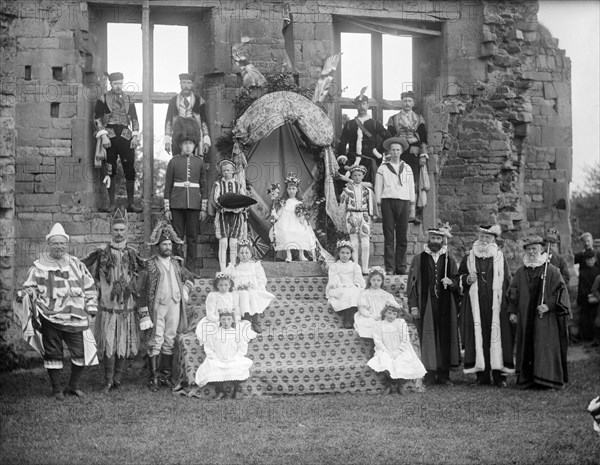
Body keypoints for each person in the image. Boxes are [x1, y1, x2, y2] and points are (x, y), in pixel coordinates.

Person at [21, 223, 98, 399]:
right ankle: (57, 390)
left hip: (76, 317)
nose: (59, 247)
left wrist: (91, 307)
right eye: (55, 243)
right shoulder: (38, 267)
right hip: (50, 318)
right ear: (49, 245)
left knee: (81, 353)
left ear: (67, 244)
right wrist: (27, 294)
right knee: (53, 353)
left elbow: (90, 286)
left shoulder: (77, 265)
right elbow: (28, 287)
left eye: (62, 243)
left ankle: (73, 386)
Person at [83, 208, 149, 393]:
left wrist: (134, 287)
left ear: (126, 231)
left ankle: (118, 378)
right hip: (108, 304)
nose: (119, 233)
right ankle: (108, 379)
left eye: (122, 230)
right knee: (110, 341)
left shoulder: (133, 253)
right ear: (111, 230)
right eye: (116, 230)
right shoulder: (102, 251)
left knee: (123, 340)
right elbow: (83, 266)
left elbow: (145, 269)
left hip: (127, 304)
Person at [507, 236, 570, 389]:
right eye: (528, 249)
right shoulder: (520, 272)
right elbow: (512, 293)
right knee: (526, 345)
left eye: (534, 248)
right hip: (525, 318)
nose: (531, 252)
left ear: (541, 249)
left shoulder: (553, 271)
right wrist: (512, 312)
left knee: (543, 346)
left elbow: (562, 292)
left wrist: (549, 305)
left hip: (545, 320)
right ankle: (527, 379)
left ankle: (546, 380)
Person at [138, 221, 194, 392]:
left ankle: (166, 376)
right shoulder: (149, 264)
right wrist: (144, 314)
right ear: (158, 246)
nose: (168, 246)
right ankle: (153, 377)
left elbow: (190, 278)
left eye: (169, 244)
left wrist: (185, 289)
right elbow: (141, 289)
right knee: (156, 339)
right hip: (157, 307)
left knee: (169, 339)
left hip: (175, 305)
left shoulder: (177, 263)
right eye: (164, 244)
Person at [458, 224, 514, 387]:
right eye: (482, 236)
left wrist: (508, 304)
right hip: (476, 304)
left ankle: (499, 377)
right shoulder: (469, 257)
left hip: (496, 305)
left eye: (488, 237)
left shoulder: (499, 257)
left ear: (493, 239)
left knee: (497, 337)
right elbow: (459, 277)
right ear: (478, 237)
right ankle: (481, 376)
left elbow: (508, 281)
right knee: (477, 337)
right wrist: (467, 279)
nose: (484, 240)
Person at [407, 225, 460, 386]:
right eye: (433, 238)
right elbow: (412, 284)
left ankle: (444, 375)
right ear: (428, 239)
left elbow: (458, 280)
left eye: (438, 238)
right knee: (428, 338)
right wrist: (414, 306)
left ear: (442, 240)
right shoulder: (419, 258)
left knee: (444, 337)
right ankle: (429, 374)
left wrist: (451, 282)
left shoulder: (449, 258)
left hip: (445, 304)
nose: (435, 241)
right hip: (426, 303)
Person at [164, 117, 208, 271]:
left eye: (191, 144)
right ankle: (177, 268)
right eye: (185, 144)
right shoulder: (174, 162)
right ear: (180, 145)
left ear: (195, 145)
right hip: (176, 204)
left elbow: (204, 185)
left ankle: (190, 269)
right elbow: (168, 185)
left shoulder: (199, 162)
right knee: (177, 237)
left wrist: (203, 208)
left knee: (193, 238)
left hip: (194, 204)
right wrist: (167, 208)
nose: (188, 146)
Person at [94, 72, 142, 213]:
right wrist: (103, 136)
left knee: (130, 168)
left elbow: (134, 119)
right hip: (110, 134)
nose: (118, 86)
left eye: (120, 83)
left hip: (126, 134)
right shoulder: (103, 99)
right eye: (115, 84)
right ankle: (112, 203)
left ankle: (131, 203)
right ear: (111, 84)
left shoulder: (128, 99)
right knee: (110, 168)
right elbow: (97, 119)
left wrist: (134, 136)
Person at [374, 137, 415, 275]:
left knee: (402, 236)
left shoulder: (407, 168)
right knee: (389, 236)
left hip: (403, 202)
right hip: (387, 202)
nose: (395, 152)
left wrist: (413, 206)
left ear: (402, 151)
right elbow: (378, 187)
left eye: (398, 150)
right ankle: (390, 267)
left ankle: (401, 267)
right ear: (389, 151)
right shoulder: (383, 168)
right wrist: (378, 206)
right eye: (393, 150)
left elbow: (411, 187)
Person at [367, 301, 427, 394]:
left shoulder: (400, 322)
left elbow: (405, 339)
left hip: (401, 349)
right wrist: (387, 351)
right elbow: (378, 341)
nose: (391, 316)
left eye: (394, 314)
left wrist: (398, 351)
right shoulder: (379, 324)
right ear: (384, 313)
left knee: (402, 361)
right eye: (389, 313)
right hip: (385, 349)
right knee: (383, 360)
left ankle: (400, 384)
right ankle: (390, 382)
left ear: (397, 315)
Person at [386, 91, 429, 223]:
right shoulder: (393, 119)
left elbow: (423, 138)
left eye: (409, 101)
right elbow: (390, 137)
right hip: (398, 153)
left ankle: (412, 213)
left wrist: (423, 154)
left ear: (413, 103)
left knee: (414, 182)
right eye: (405, 101)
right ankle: (397, 213)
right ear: (401, 102)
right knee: (396, 181)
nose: (407, 103)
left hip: (414, 154)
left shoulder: (419, 119)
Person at [195, 310, 253, 400]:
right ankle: (221, 391)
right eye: (223, 319)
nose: (226, 322)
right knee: (212, 366)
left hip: (233, 358)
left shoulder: (237, 333)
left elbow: (242, 348)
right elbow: (209, 347)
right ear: (220, 320)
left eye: (229, 319)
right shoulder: (214, 333)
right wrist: (216, 358)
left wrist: (235, 358)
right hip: (218, 358)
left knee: (238, 366)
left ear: (233, 320)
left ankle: (236, 390)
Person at [337, 92, 391, 184]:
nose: (361, 106)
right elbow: (343, 141)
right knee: (349, 186)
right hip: (352, 161)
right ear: (356, 106)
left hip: (369, 161)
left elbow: (388, 137)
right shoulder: (350, 124)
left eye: (363, 104)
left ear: (368, 105)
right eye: (358, 104)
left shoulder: (374, 124)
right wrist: (343, 157)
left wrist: (377, 151)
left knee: (369, 186)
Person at [226, 240, 275, 334]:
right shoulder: (235, 266)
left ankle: (255, 322)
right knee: (242, 297)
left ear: (251, 253)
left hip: (252, 289)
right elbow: (226, 276)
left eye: (246, 252)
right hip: (238, 291)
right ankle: (246, 321)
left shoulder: (255, 265)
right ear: (238, 254)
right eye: (241, 253)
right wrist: (233, 286)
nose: (244, 255)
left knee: (253, 297)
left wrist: (259, 287)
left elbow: (261, 278)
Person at [195, 272, 256, 346]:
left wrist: (234, 320)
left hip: (230, 320)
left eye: (226, 285)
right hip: (216, 320)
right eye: (221, 285)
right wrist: (221, 320)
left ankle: (235, 347)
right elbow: (210, 314)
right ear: (217, 285)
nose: (223, 287)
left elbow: (237, 312)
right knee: (213, 330)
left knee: (241, 328)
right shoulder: (213, 296)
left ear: (230, 285)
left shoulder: (233, 296)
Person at [270, 173, 317, 263]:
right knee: (285, 232)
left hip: (297, 223)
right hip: (285, 224)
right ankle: (289, 255)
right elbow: (278, 217)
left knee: (302, 232)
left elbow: (302, 217)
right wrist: (274, 213)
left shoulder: (299, 202)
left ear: (297, 190)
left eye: (293, 189)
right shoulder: (284, 202)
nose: (291, 191)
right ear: (287, 190)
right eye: (289, 189)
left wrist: (304, 222)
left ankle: (301, 254)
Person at [339, 165, 377, 274]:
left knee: (365, 242)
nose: (357, 177)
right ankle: (355, 267)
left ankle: (365, 267)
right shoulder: (346, 190)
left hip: (364, 215)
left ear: (363, 176)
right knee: (354, 242)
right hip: (351, 215)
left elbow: (372, 205)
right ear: (351, 176)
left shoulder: (368, 190)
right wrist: (342, 217)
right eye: (354, 175)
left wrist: (372, 216)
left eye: (359, 175)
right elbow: (342, 205)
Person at [164, 73, 211, 157]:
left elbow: (204, 121)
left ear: (192, 84)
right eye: (183, 82)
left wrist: (206, 139)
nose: (186, 85)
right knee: (178, 161)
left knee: (194, 162)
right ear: (180, 84)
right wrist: (167, 139)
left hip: (194, 134)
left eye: (188, 83)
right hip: (178, 135)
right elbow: (168, 121)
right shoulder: (173, 101)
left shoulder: (199, 100)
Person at [212, 159, 247, 271]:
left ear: (233, 171)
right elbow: (215, 200)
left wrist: (239, 208)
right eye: (223, 170)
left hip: (236, 217)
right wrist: (223, 208)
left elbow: (244, 200)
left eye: (228, 170)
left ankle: (232, 268)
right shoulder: (219, 184)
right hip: (223, 217)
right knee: (223, 243)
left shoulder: (238, 185)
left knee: (233, 243)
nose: (226, 172)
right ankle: (223, 270)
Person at [326, 240, 366, 329]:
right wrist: (342, 286)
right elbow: (334, 279)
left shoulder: (355, 266)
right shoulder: (334, 266)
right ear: (338, 253)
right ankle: (347, 319)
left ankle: (352, 318)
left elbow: (359, 279)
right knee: (345, 293)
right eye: (342, 253)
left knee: (355, 292)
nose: (345, 255)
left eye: (347, 253)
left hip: (352, 286)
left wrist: (356, 285)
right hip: (338, 287)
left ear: (351, 254)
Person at [354, 266, 396, 338]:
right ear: (370, 280)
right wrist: (371, 316)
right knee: (373, 325)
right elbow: (362, 309)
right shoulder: (365, 293)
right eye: (373, 280)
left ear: (382, 281)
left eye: (378, 280)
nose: (376, 282)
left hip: (382, 316)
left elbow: (395, 306)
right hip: (369, 316)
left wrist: (389, 307)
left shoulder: (386, 295)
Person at [576, 249, 600, 342]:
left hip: (597, 298)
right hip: (586, 298)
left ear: (595, 260)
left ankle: (596, 337)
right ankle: (587, 337)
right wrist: (583, 297)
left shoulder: (598, 271)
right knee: (587, 317)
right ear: (585, 261)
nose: (590, 261)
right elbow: (581, 287)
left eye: (591, 259)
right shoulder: (582, 273)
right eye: (588, 260)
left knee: (596, 317)